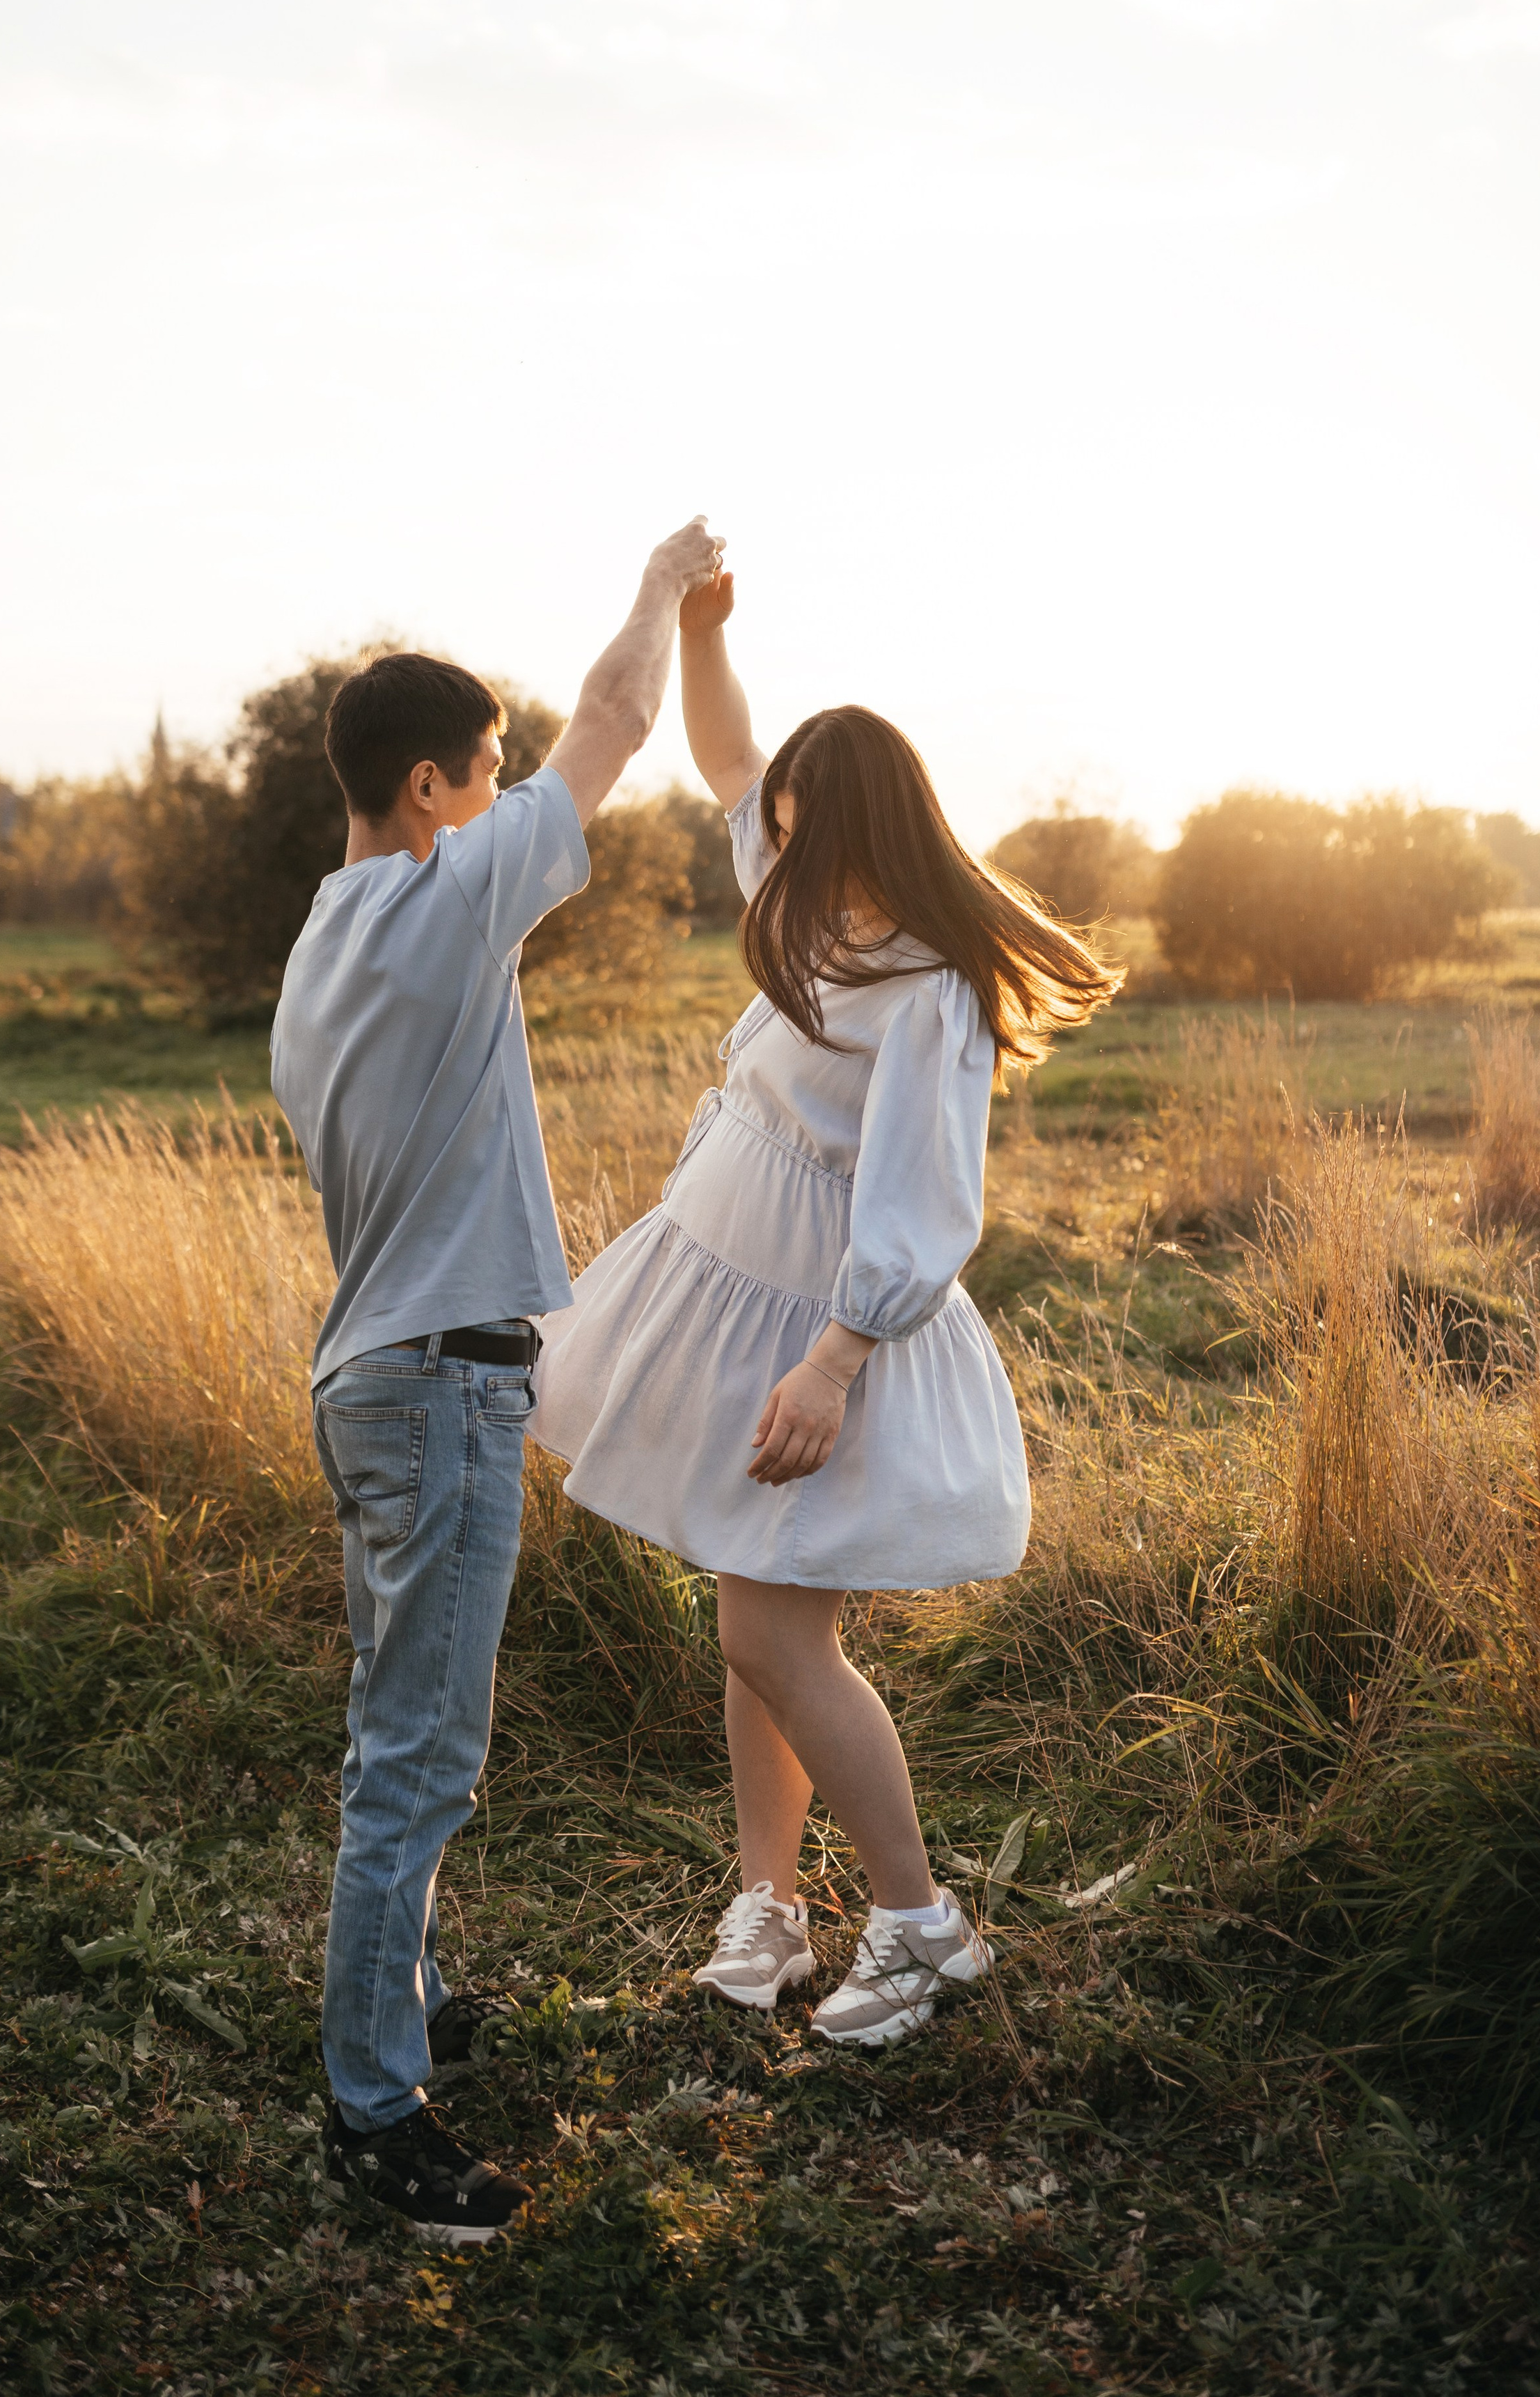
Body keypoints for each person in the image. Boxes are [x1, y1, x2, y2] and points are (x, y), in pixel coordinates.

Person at [533, 575, 1120, 2048]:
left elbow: (922, 1201)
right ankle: (773, 1904)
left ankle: (921, 1927)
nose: (771, 833)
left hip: (816, 1337)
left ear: (857, 828)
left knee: (783, 1640)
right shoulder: (805, 911)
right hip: (730, 1301)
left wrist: (833, 1360)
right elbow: (725, 759)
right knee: (748, 1622)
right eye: (774, 820)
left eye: (798, 820)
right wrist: (706, 633)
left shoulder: (924, 984)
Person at [270, 515, 724, 2242]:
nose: (499, 793)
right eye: (479, 772)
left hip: (367, 1375)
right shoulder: (446, 898)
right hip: (442, 1386)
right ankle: (372, 2107)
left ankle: (413, 1996)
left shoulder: (313, 960)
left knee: (391, 1726)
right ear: (428, 787)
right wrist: (663, 589)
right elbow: (610, 723)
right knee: (419, 1759)